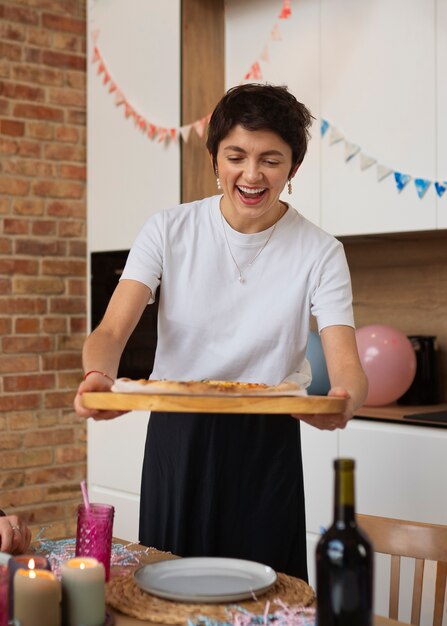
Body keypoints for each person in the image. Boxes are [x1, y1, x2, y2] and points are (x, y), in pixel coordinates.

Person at [74, 83, 368, 581]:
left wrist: (343, 400)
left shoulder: (320, 251)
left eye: (271, 160)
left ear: (293, 169)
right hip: (177, 436)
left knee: (267, 595)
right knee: (167, 588)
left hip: (267, 441)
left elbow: (348, 367)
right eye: (236, 155)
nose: (251, 175)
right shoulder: (168, 229)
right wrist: (100, 376)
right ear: (215, 159)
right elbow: (110, 331)